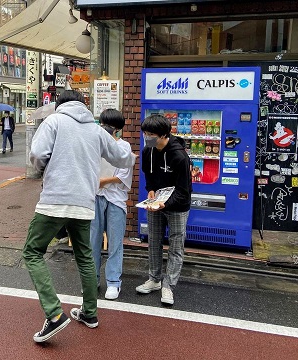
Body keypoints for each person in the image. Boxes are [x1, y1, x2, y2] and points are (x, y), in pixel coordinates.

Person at [23, 90, 136, 343]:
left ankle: (54, 314)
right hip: (85, 203)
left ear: (60, 105)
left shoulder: (54, 121)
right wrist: (133, 155)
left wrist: (45, 171)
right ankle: (90, 313)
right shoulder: (96, 130)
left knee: (32, 252)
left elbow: (38, 154)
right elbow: (122, 158)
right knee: (85, 256)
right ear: (84, 106)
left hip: (55, 200)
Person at [135, 114, 192, 305]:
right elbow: (148, 175)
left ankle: (168, 285)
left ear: (164, 135)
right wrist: (150, 191)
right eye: (145, 133)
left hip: (177, 205)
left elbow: (184, 191)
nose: (147, 137)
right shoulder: (147, 151)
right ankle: (154, 279)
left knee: (176, 246)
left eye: (151, 134)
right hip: (157, 202)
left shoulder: (179, 156)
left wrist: (164, 204)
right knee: (154, 241)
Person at [90, 109, 133, 300]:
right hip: (95, 197)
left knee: (115, 243)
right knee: (93, 241)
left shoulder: (124, 147)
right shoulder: (94, 144)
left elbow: (123, 175)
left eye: (108, 125)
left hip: (115, 199)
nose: (104, 127)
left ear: (116, 128)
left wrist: (103, 181)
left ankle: (114, 282)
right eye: (102, 123)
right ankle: (92, 280)